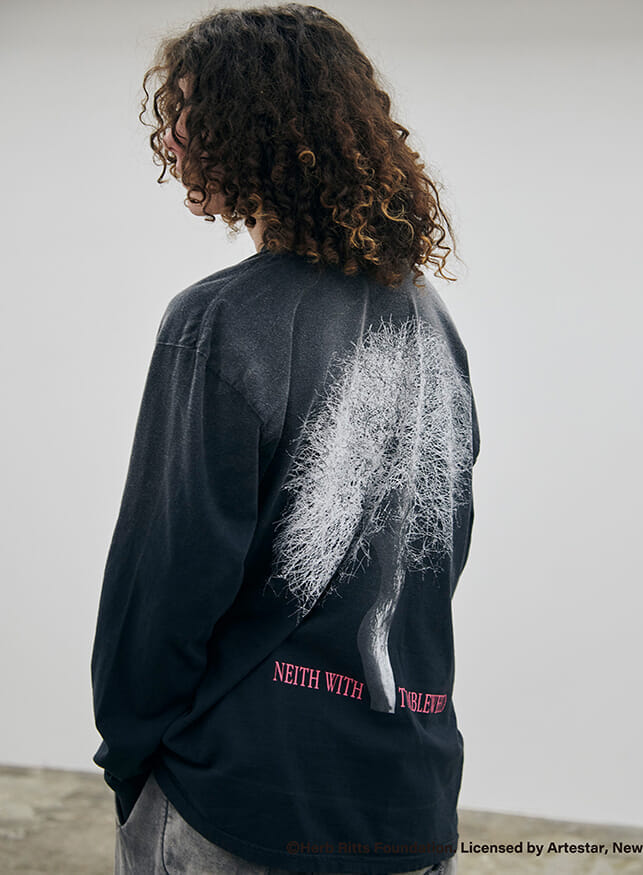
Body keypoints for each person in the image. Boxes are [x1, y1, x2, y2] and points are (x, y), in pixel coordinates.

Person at [90, 4, 481, 874]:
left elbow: (166, 578)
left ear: (252, 130)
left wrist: (129, 758)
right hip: (409, 805)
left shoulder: (219, 321)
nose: (171, 135)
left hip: (240, 800)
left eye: (188, 111)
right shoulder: (430, 323)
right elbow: (440, 557)